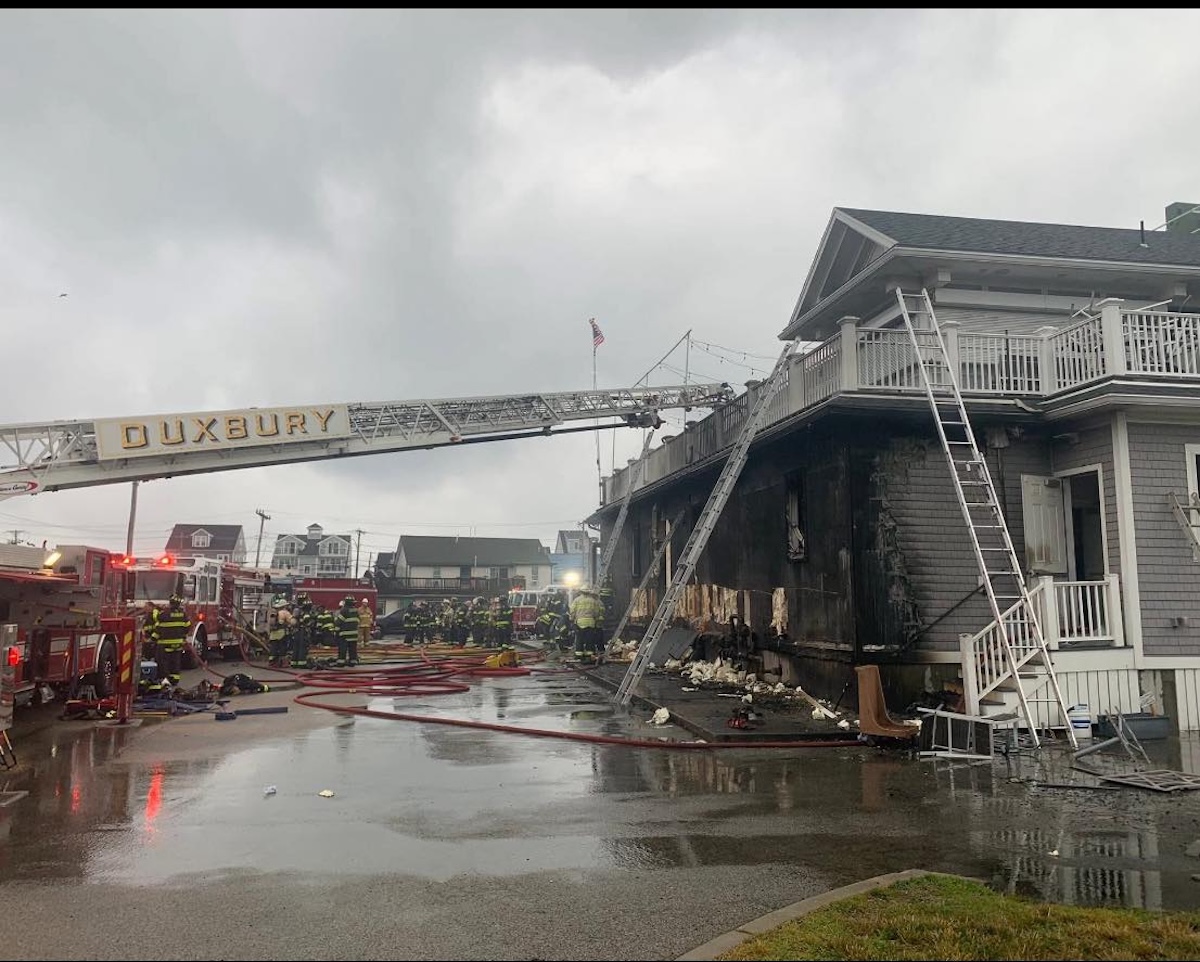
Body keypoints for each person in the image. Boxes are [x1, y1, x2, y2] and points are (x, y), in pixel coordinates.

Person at [154, 594, 192, 680]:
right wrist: (183, 636)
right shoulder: (183, 614)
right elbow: (188, 626)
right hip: (178, 643)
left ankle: (165, 679)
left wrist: (156, 610)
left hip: (164, 643)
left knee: (163, 662)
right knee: (175, 662)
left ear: (170, 603)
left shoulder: (164, 614)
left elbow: (158, 624)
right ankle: (175, 679)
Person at [569, 586, 605, 663]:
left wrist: (572, 620)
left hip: (580, 622)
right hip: (590, 622)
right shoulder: (593, 601)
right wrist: (596, 620)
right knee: (589, 640)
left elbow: (572, 611)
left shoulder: (577, 600)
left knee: (579, 639)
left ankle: (579, 655)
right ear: (589, 592)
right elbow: (597, 612)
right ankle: (589, 656)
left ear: (581, 592)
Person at [335, 595, 360, 667]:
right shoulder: (356, 610)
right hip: (354, 634)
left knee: (343, 649)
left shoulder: (344, 610)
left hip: (345, 635)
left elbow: (338, 622)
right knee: (353, 649)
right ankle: (353, 661)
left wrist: (336, 632)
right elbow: (358, 620)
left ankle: (341, 662)